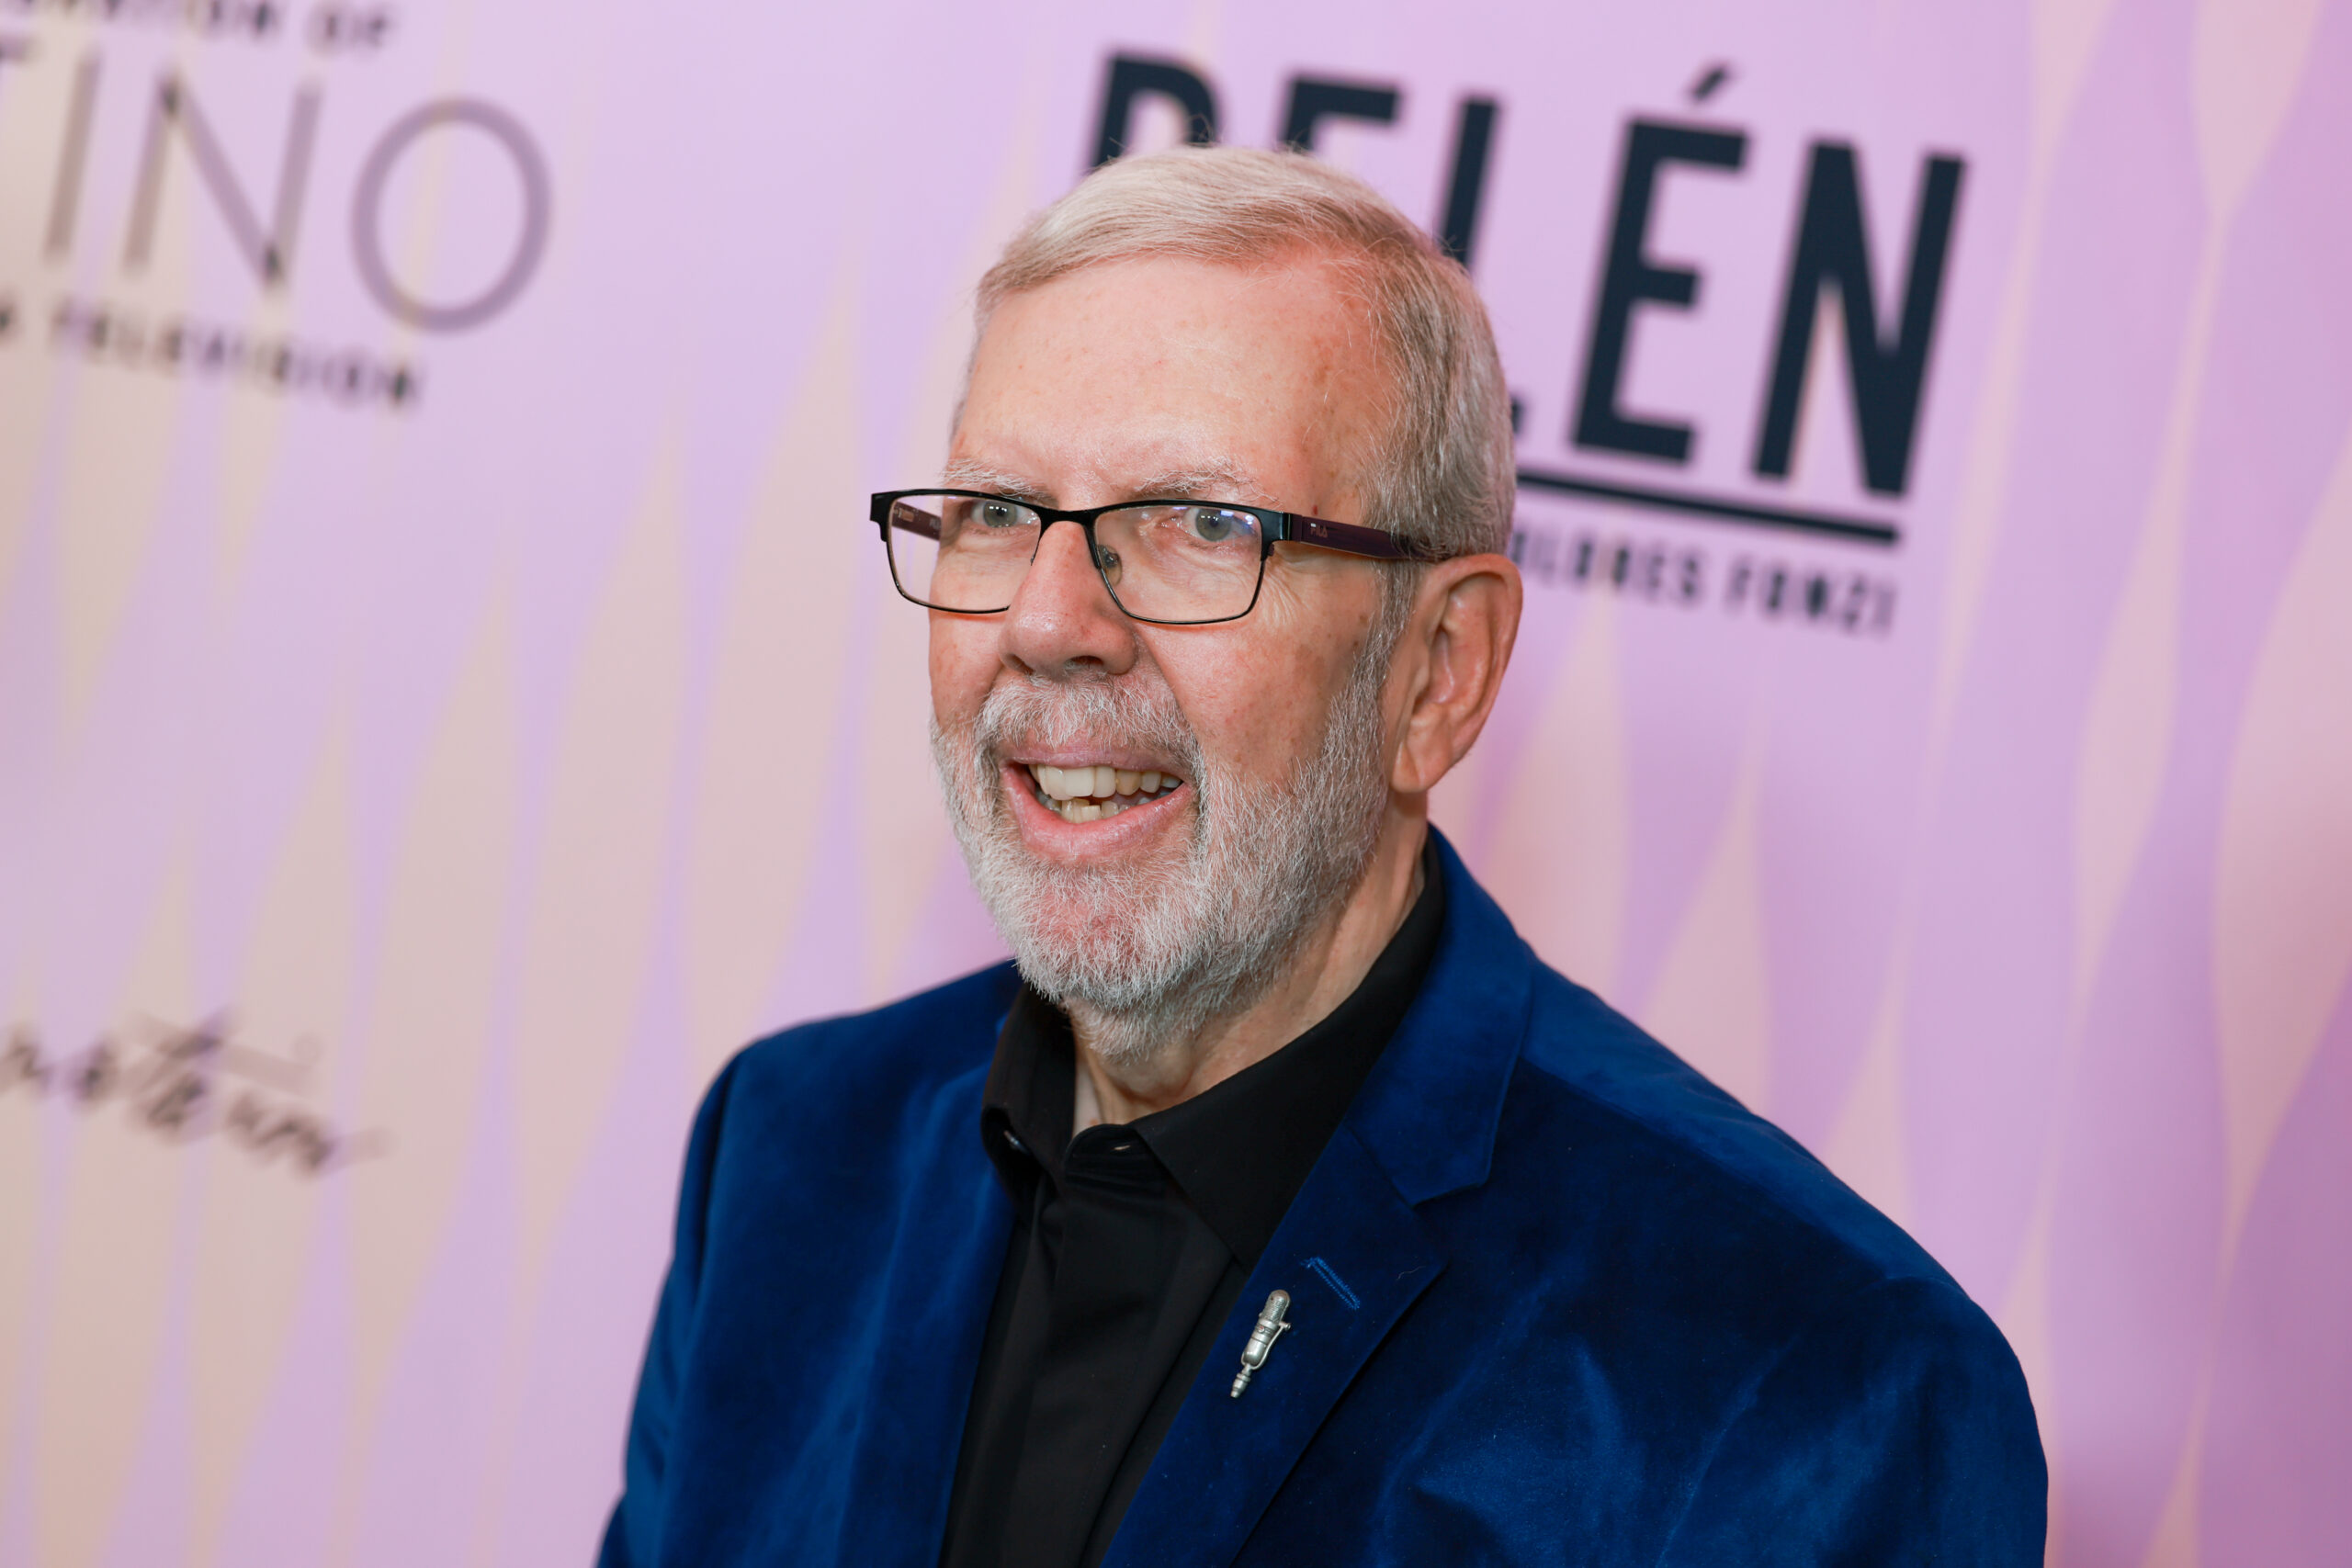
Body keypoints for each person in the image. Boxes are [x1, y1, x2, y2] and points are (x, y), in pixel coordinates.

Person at [598, 146, 2043, 1568]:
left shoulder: (1811, 1383)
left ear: (1438, 672)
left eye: (1198, 524)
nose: (1047, 622)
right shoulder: (789, 1158)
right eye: (993, 514)